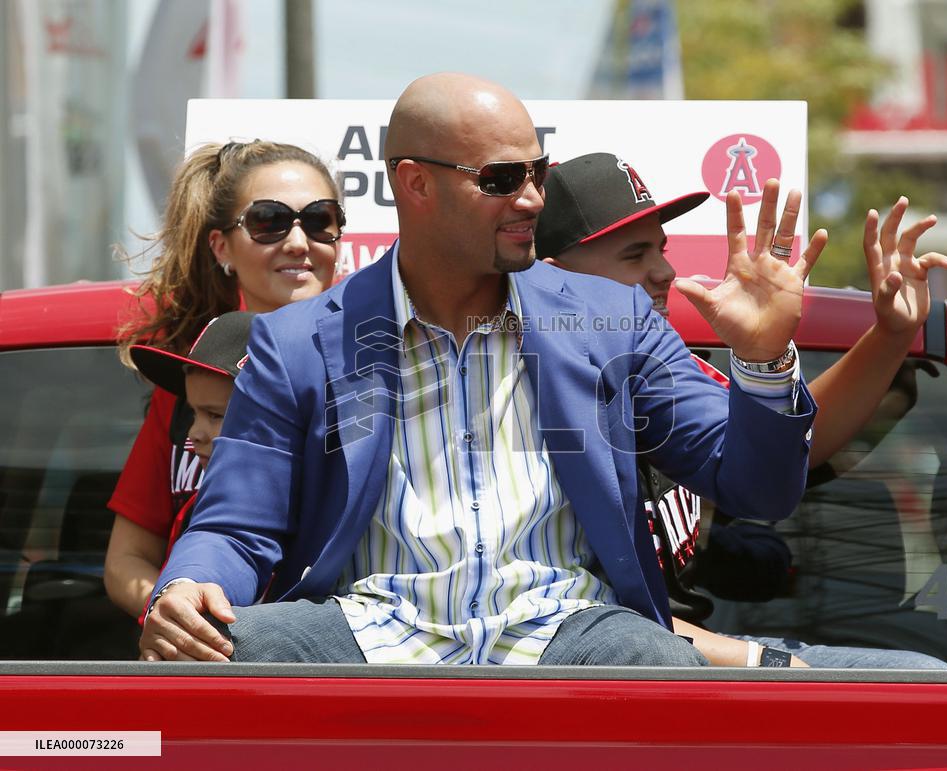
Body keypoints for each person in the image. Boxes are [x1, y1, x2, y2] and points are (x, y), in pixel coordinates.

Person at [139, 72, 822, 666]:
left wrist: (762, 361)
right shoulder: (295, 343)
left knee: (659, 660)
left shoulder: (614, 318)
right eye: (501, 179)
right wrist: (186, 588)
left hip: (571, 631)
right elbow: (234, 527)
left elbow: (758, 489)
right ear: (416, 185)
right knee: (225, 651)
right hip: (362, 632)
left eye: (538, 173)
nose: (531, 199)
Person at [536, 151, 947, 668]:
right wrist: (758, 662)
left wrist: (893, 334)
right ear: (553, 282)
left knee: (923, 676)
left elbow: (788, 449)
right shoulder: (524, 408)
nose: (664, 270)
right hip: (619, 666)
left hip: (699, 657)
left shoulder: (666, 375)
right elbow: (578, 615)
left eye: (661, 250)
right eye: (634, 255)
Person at [104, 141, 345, 620]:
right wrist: (184, 617)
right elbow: (125, 561)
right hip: (204, 671)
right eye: (268, 221)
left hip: (326, 663)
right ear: (222, 247)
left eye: (320, 219)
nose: (299, 241)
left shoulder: (379, 375)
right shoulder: (185, 386)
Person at [123, 311, 256, 618]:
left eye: (216, 415)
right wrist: (173, 616)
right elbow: (123, 560)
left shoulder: (303, 509)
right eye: (193, 413)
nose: (194, 433)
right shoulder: (194, 508)